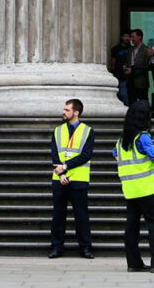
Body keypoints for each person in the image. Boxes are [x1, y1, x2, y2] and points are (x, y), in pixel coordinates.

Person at [113, 101, 154, 273]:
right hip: (146, 187)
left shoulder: (122, 140)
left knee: (132, 225)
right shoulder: (143, 137)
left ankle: (134, 262)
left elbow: (115, 155)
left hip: (130, 188)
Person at [49, 98, 95, 260]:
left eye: (67, 110)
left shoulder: (88, 131)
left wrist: (65, 166)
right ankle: (56, 246)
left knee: (81, 215)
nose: (64, 112)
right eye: (64, 109)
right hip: (59, 178)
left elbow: (86, 155)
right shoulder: (58, 130)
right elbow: (54, 154)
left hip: (79, 178)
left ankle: (85, 247)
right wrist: (60, 173)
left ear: (76, 112)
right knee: (58, 215)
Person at [124, 29, 153, 108]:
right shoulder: (130, 50)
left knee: (143, 103)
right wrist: (125, 67)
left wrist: (132, 70)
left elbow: (148, 66)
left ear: (139, 37)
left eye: (133, 37)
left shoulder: (147, 50)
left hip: (141, 82)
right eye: (131, 37)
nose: (131, 39)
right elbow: (127, 62)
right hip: (130, 82)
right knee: (131, 103)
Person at [109, 32, 132, 106]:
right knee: (122, 94)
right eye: (125, 36)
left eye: (129, 36)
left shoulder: (132, 49)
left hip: (131, 76)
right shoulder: (116, 49)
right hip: (119, 75)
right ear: (121, 37)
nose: (127, 38)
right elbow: (113, 61)